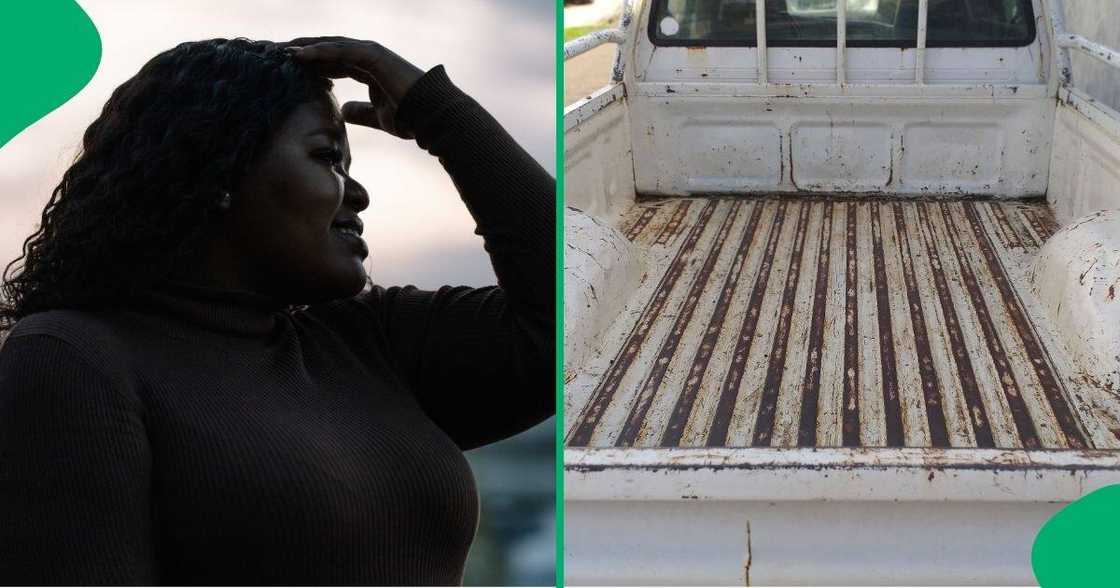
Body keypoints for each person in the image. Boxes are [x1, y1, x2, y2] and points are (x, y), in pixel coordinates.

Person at [0, 36, 554, 585]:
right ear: (219, 171)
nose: (359, 194)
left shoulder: (368, 340)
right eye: (327, 157)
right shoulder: (72, 360)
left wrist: (441, 114)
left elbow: (573, 315)